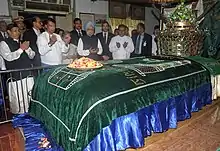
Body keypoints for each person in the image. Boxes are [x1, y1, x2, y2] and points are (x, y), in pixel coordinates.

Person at [0, 23, 35, 114]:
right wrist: (20, 50)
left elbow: (32, 55)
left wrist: (27, 49)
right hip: (15, 76)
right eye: (15, 31)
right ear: (8, 32)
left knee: (30, 96)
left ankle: (31, 114)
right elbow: (8, 57)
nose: (18, 33)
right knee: (19, 99)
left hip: (27, 74)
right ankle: (20, 118)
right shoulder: (4, 43)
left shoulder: (22, 41)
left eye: (18, 30)